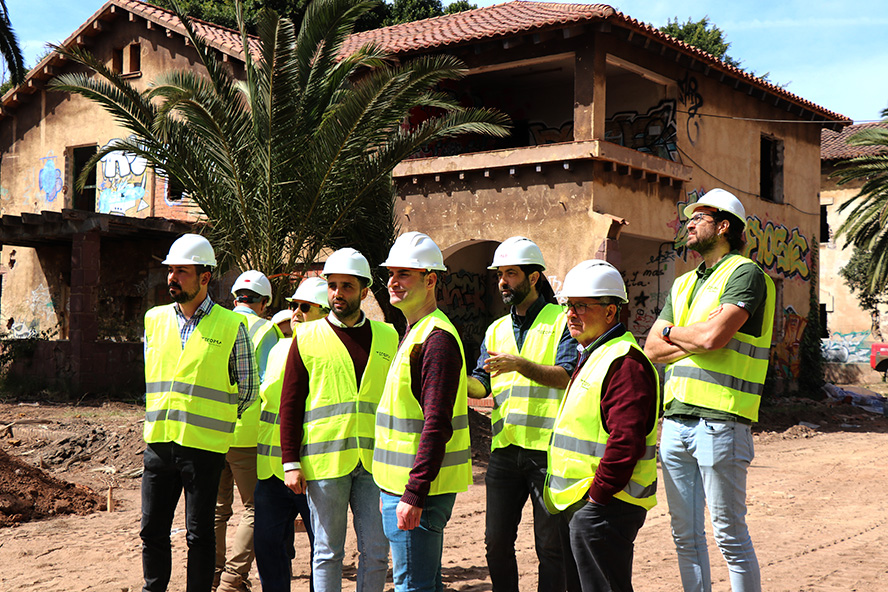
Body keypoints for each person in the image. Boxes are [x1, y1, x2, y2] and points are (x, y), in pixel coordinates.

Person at [644, 188, 775, 592]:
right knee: (685, 536)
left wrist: (676, 333)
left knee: (729, 536)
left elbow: (712, 338)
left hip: (721, 422)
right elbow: (652, 348)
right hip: (675, 422)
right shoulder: (684, 283)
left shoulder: (744, 274)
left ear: (723, 226)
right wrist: (688, 334)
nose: (689, 224)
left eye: (699, 218)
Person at [141, 233, 259, 592]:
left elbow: (248, 388)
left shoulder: (231, 325)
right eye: (170, 270)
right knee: (152, 531)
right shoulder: (154, 319)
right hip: (159, 444)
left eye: (182, 271)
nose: (172, 278)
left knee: (199, 534)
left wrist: (217, 420)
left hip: (205, 448)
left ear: (205, 277)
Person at [279, 249, 398, 592]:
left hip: (376, 463)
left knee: (376, 552)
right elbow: (291, 403)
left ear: (364, 291)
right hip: (325, 463)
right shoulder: (307, 336)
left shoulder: (389, 336)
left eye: (347, 286)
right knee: (327, 553)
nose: (337, 293)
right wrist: (290, 462)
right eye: (332, 286)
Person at [466, 236, 575, 592]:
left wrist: (520, 365)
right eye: (500, 274)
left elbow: (567, 375)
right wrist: (456, 379)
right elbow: (481, 384)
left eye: (511, 273)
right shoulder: (496, 329)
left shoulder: (562, 321)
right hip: (505, 450)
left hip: (548, 453)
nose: (502, 281)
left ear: (534, 277)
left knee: (551, 548)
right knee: (496, 543)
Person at [544, 260, 659, 592]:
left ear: (610, 312)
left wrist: (597, 499)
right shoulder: (595, 353)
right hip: (586, 503)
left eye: (581, 305)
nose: (571, 314)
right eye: (568, 305)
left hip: (607, 506)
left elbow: (626, 441)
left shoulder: (624, 362)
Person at [375, 231, 472, 592]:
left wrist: (414, 492)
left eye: (404, 274)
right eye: (391, 274)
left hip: (419, 493)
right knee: (423, 583)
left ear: (430, 280)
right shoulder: (416, 332)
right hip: (402, 488)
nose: (393, 282)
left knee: (412, 586)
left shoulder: (436, 340)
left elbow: (437, 424)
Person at [254, 276, 330, 592]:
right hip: (272, 470)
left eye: (305, 307)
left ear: (326, 313)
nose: (295, 313)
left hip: (313, 471)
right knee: (267, 545)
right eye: (293, 305)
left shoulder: (331, 354)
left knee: (321, 549)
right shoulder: (279, 349)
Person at [215, 271, 283, 591]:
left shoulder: (216, 324)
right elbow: (271, 382)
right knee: (255, 508)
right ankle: (232, 580)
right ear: (265, 302)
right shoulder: (266, 330)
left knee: (217, 509)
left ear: (234, 298)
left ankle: (212, 575)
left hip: (212, 431)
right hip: (247, 433)